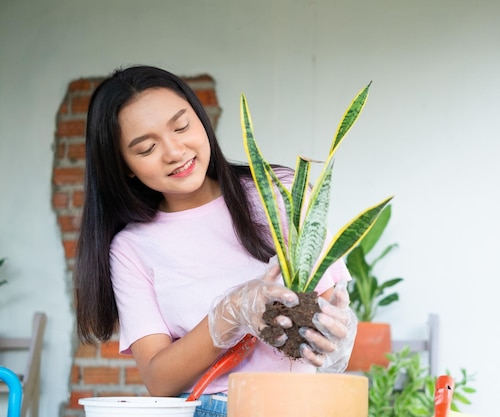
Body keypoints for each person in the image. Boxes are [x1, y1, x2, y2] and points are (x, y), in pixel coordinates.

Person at [73, 65, 357, 417]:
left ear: (200, 118)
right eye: (147, 148)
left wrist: (336, 335)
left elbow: (328, 312)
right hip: (206, 408)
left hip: (297, 404)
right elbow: (159, 380)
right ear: (125, 166)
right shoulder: (131, 248)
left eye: (181, 126)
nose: (175, 151)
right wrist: (231, 312)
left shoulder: (278, 192)